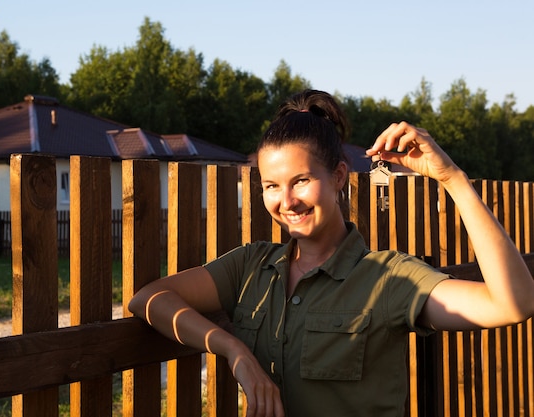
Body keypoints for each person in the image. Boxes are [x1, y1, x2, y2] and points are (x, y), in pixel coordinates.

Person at [128, 89, 534, 416]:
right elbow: (147, 299)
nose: (286, 201)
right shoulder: (250, 267)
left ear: (338, 176)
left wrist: (453, 179)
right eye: (271, 185)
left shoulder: (389, 279)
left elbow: (512, 304)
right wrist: (233, 350)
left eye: (301, 181)